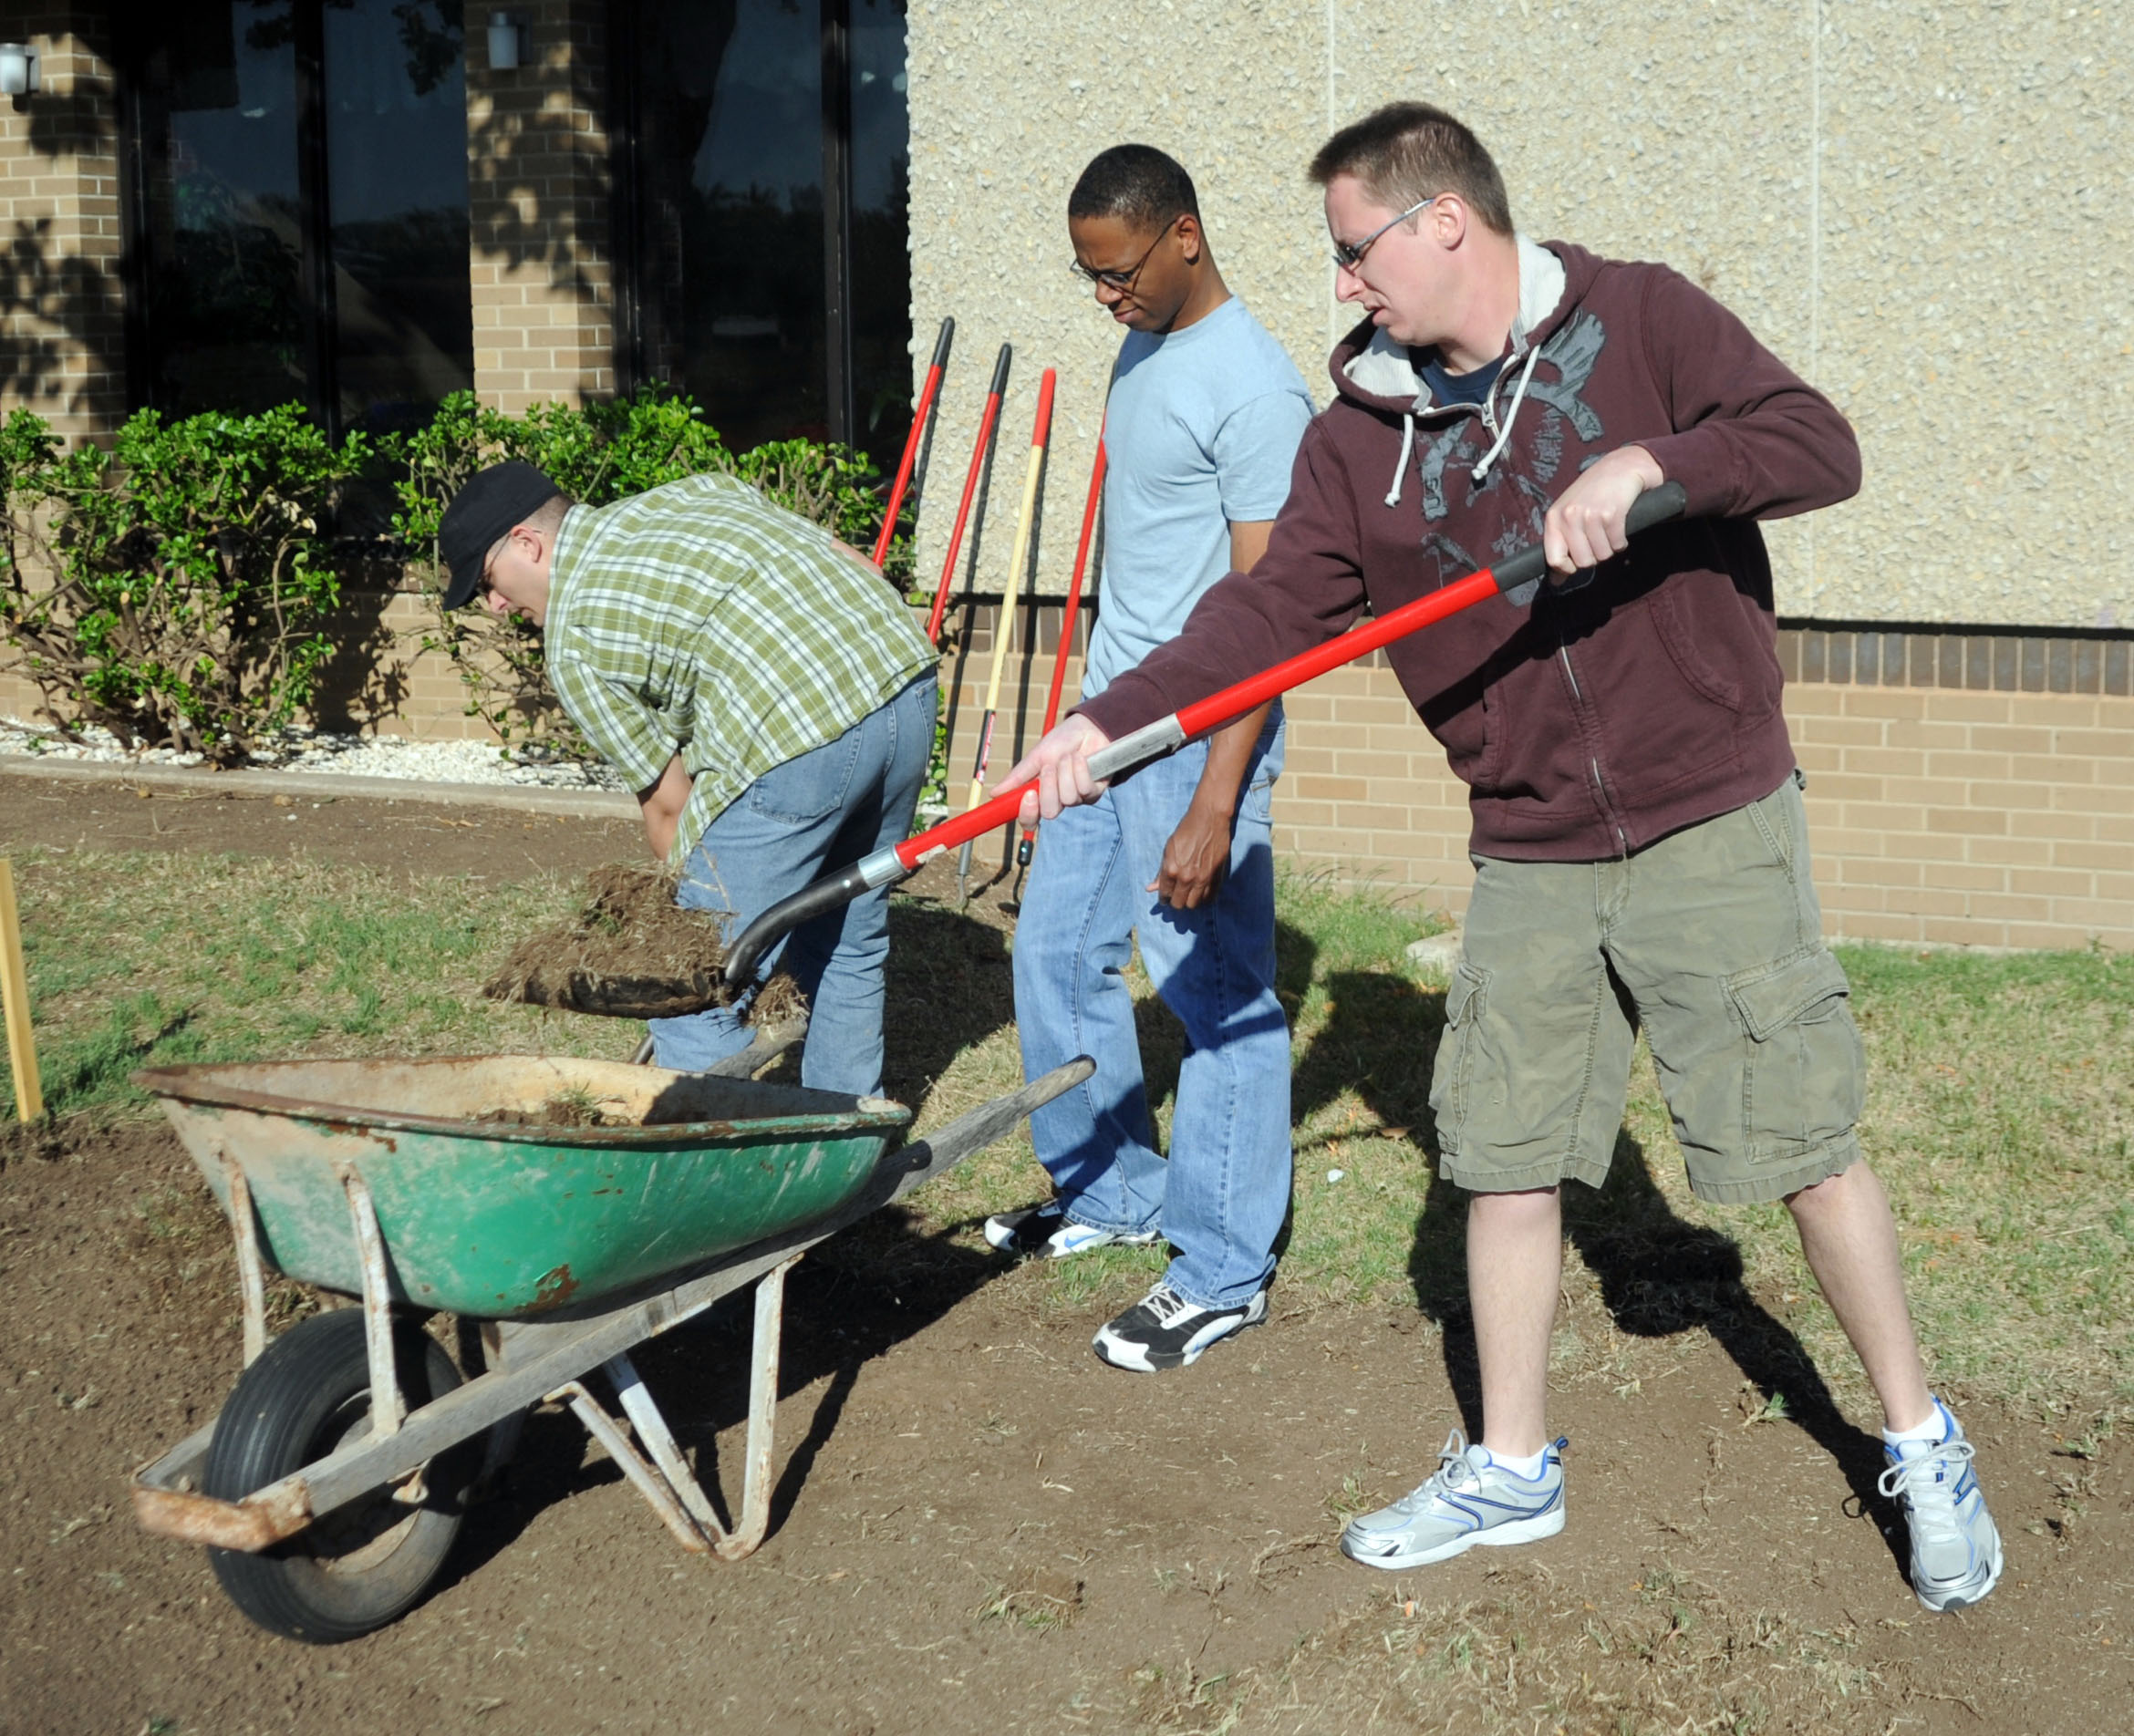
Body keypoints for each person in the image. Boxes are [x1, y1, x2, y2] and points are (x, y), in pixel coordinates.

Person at [1005, 103, 2000, 1610]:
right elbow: (1261, 620)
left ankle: (1921, 1439)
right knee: (1505, 1154)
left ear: (1442, 222)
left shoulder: (1642, 319)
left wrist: (1651, 468)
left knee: (1797, 1139)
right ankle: (1512, 1465)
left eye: (1356, 251)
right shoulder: (1360, 445)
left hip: (1705, 806)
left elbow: (1817, 444)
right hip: (1530, 837)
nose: (1343, 284)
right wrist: (1109, 721)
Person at [985, 146, 1314, 1374]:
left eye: (1118, 273)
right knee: (1059, 954)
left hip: (1190, 745)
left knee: (1216, 998)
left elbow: (1271, 613)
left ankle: (1223, 1266)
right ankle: (1113, 1188)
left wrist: (1217, 799)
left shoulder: (1257, 392)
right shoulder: (1146, 345)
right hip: (1106, 723)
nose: (1105, 298)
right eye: (1089, 278)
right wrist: (1081, 714)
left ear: (1184, 235)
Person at [437, 460, 938, 1099]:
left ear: (528, 544)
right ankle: (845, 1137)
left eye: (487, 583)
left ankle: (717, 1172)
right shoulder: (694, 493)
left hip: (801, 738)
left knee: (691, 986)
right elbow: (847, 559)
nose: (496, 606)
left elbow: (671, 811)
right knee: (845, 935)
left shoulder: (576, 636)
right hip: (905, 679)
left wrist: (688, 918)